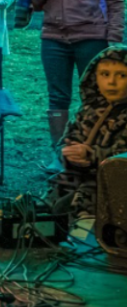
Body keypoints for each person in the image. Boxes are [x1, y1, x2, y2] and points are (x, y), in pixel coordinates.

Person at [15, 0, 124, 170]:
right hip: (54, 38)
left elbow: (116, 0)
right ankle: (60, 153)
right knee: (57, 97)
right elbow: (35, 4)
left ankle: (97, 151)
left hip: (92, 37)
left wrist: (115, 38)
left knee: (98, 96)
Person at [53, 45, 127, 220]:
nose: (111, 82)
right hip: (77, 178)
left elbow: (123, 158)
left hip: (117, 186)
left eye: (122, 75)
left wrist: (92, 155)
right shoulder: (90, 110)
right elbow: (68, 141)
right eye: (105, 74)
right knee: (51, 200)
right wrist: (67, 152)